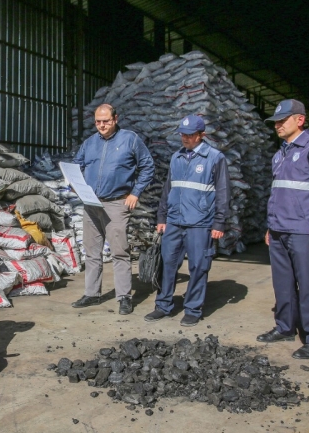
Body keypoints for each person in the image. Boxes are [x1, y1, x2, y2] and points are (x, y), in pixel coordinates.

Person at [257, 99, 309, 359]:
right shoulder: (279, 154)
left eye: (283, 120)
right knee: (282, 283)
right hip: (279, 229)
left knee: (308, 284)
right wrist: (271, 225)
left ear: (300, 120)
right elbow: (278, 193)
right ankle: (285, 327)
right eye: (275, 122)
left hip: (303, 230)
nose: (278, 125)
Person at [144, 114, 231, 327]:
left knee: (198, 266)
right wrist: (162, 216)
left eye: (190, 134)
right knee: (167, 264)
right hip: (174, 221)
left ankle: (192, 309)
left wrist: (219, 222)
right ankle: (163, 305)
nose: (185, 138)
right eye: (182, 134)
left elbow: (223, 192)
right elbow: (168, 188)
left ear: (201, 135)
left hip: (200, 222)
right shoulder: (177, 157)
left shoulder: (215, 157)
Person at [71, 103, 155, 315]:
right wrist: (75, 183)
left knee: (119, 251)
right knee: (92, 251)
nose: (102, 125)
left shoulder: (130, 139)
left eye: (106, 121)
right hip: (91, 202)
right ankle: (92, 293)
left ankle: (124, 297)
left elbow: (147, 166)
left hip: (117, 203)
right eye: (98, 122)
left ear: (116, 119)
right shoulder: (90, 143)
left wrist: (135, 193)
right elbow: (76, 165)